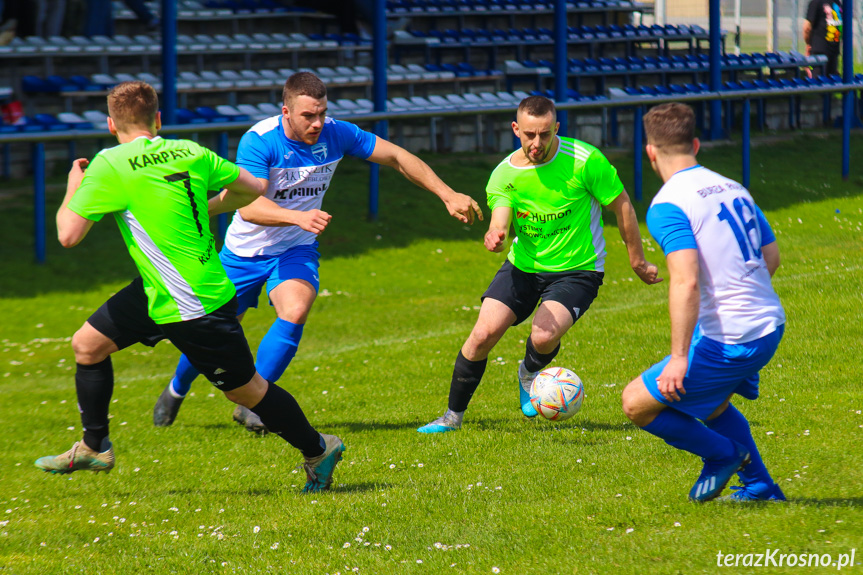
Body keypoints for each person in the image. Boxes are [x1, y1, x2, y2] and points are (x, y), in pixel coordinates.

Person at [35, 81, 345, 493]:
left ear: (111, 125)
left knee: (247, 392)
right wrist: (202, 204)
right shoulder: (188, 150)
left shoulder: (109, 165)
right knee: (87, 345)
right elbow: (252, 187)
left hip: (192, 302)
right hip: (158, 286)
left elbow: (68, 235)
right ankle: (95, 446)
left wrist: (75, 184)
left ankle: (319, 448)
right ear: (158, 120)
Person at [153, 71, 482, 432]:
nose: (317, 123)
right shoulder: (259, 141)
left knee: (295, 309)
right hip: (244, 251)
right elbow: (247, 208)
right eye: (308, 115)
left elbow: (397, 157)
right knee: (215, 331)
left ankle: (254, 403)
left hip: (295, 248)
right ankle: (177, 388)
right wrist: (298, 216)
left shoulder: (338, 133)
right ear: (286, 112)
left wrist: (447, 194)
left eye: (322, 113)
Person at [417, 95, 661, 434]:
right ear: (516, 129)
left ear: (556, 127)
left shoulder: (584, 160)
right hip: (524, 267)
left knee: (543, 336)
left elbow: (622, 206)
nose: (537, 143)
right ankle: (451, 417)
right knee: (482, 334)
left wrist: (637, 260)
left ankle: (529, 372)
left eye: (545, 134)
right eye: (529, 134)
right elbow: (500, 216)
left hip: (578, 269)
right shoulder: (504, 173)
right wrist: (496, 234)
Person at [621, 102, 787, 502]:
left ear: (650, 152)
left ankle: (723, 455)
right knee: (711, 405)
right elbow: (772, 258)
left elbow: (686, 280)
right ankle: (760, 486)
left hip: (734, 337)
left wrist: (679, 357)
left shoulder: (667, 204)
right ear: (695, 143)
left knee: (636, 404)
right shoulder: (733, 186)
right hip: (770, 324)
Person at [804, 0, 842, 77]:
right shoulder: (836, 3)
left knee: (820, 81)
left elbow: (807, 27)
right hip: (826, 51)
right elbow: (807, 28)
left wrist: (808, 43)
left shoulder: (817, 2)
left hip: (825, 50)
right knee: (825, 81)